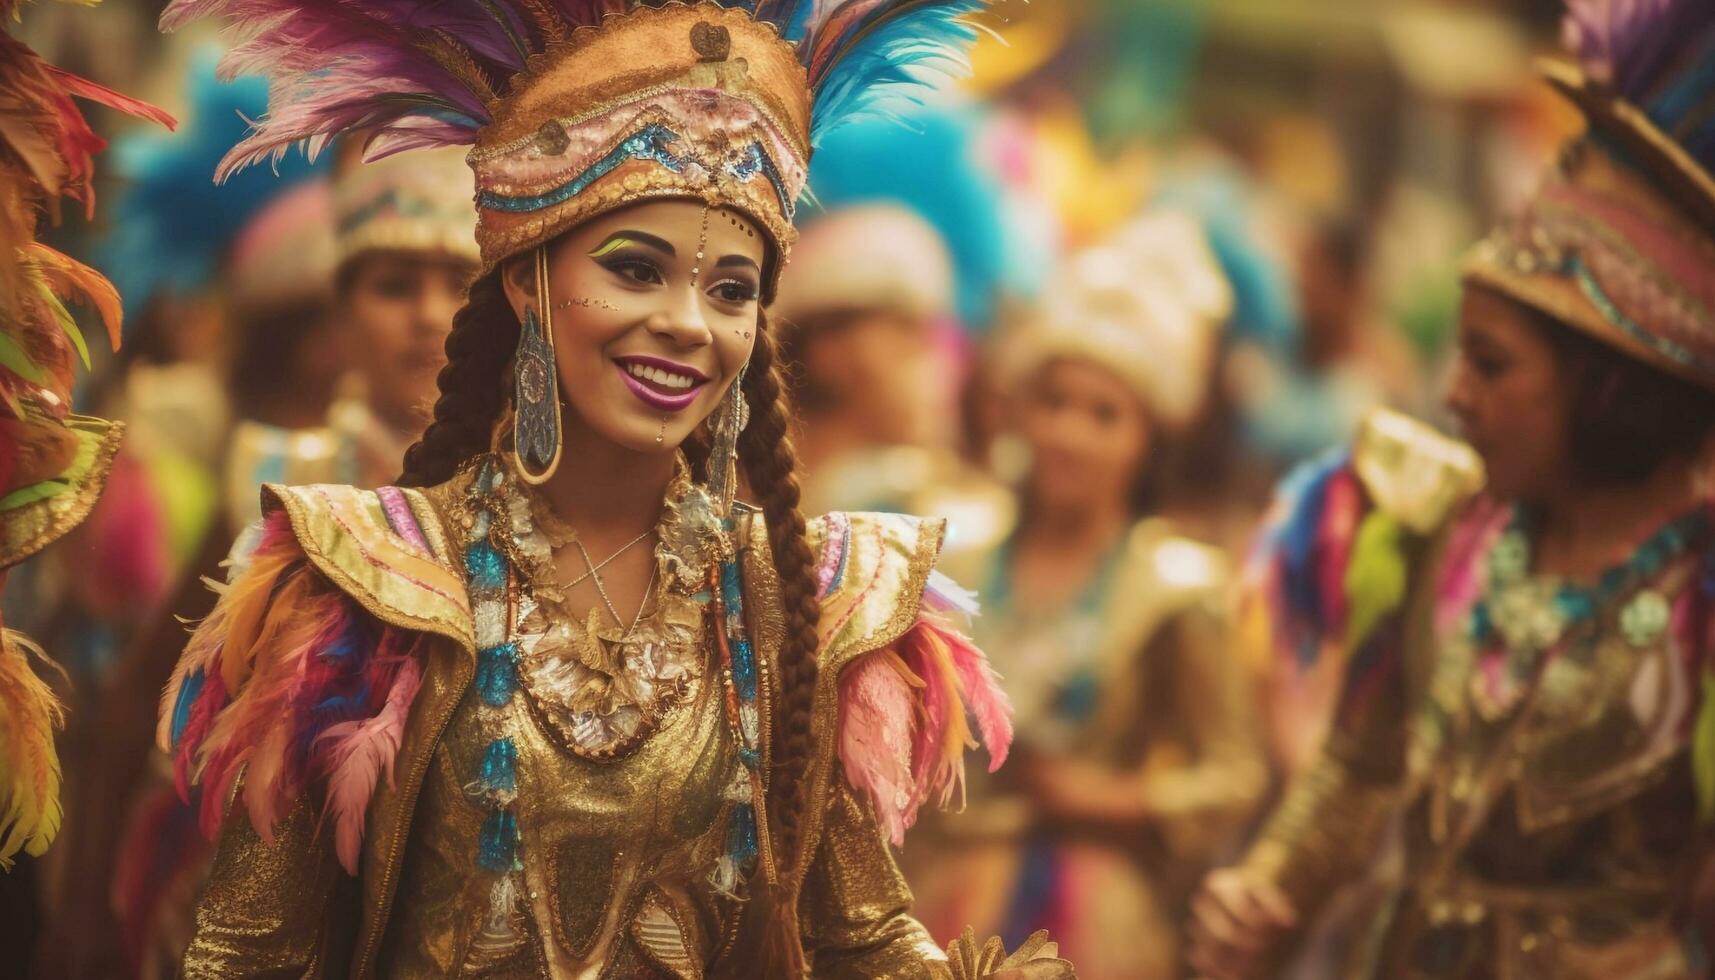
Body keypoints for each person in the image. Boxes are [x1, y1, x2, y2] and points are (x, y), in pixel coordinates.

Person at [154, 1, 1073, 976]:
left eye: (729, 289)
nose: (687, 323)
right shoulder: (371, 579)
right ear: (525, 280)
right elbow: (251, 950)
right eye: (635, 270)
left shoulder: (797, 600)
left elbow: (860, 936)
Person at [1191, 2, 1715, 976]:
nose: (1451, 391)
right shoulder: (1438, 521)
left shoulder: (1700, 593)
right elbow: (1359, 765)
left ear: (1608, 391)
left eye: (1489, 363)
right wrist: (1268, 889)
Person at [906, 214, 1264, 979]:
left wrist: (1110, 799)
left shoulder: (1174, 588)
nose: (1069, 433)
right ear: (1019, 411)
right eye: (1054, 401)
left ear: (1146, 439)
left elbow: (1234, 777)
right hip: (933, 895)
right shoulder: (945, 547)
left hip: (1093, 926)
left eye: (1104, 414)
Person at [326, 145, 483, 488]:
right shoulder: (280, 481)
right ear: (342, 314)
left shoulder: (547, 490)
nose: (430, 315)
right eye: (394, 287)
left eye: (462, 285)